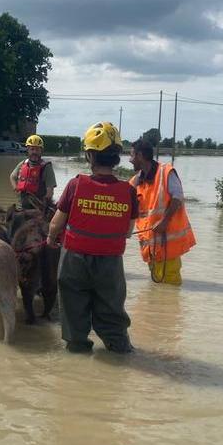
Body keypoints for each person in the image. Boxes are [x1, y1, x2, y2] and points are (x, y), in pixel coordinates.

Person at [46, 122, 138, 354]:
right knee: (112, 311)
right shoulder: (128, 191)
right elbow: (127, 231)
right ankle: (120, 351)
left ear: (89, 155)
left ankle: (78, 350)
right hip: (110, 263)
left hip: (74, 260)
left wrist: (50, 239)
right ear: (117, 156)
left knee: (73, 310)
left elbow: (56, 223)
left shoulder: (75, 185)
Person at [128, 139, 195, 285]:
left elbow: (178, 197)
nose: (130, 160)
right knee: (158, 288)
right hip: (151, 248)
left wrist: (164, 221)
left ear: (140, 155)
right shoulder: (135, 181)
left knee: (171, 286)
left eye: (132, 155)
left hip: (168, 246)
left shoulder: (166, 172)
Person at [10, 134, 56, 211]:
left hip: (38, 209)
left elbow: (50, 192)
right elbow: (12, 177)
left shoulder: (46, 167)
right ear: (27, 150)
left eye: (37, 149)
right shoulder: (22, 164)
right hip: (21, 207)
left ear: (41, 151)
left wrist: (43, 207)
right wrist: (16, 188)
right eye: (32, 149)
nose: (35, 152)